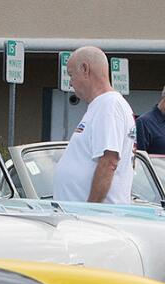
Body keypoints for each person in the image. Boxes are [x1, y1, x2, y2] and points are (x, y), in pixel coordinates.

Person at [55, 46, 136, 204]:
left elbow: (108, 161)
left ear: (85, 69)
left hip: (95, 219)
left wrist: (90, 209)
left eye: (71, 75)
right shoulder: (102, 105)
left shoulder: (109, 105)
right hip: (85, 216)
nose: (70, 83)